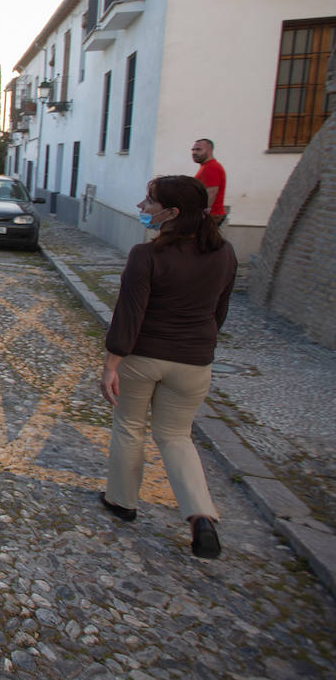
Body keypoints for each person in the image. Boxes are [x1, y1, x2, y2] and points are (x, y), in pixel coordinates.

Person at [99, 175, 236, 559]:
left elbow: (129, 313)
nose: (143, 207)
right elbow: (219, 311)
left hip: (144, 357)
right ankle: (201, 516)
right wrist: (199, 343)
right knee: (176, 436)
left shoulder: (147, 255)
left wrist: (112, 364)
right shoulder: (224, 253)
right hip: (194, 362)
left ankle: (122, 501)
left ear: (172, 213)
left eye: (150, 202)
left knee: (129, 427)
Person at [191, 138, 227, 223]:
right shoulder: (206, 166)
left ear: (209, 150)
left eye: (198, 149)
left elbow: (211, 192)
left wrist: (201, 215)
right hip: (210, 215)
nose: (194, 153)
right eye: (193, 150)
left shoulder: (211, 167)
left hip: (211, 216)